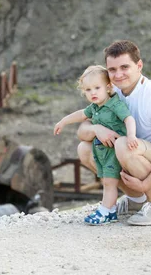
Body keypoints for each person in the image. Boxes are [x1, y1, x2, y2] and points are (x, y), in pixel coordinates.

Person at [77, 40, 151, 226]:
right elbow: (82, 131)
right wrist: (96, 128)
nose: (118, 74)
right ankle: (137, 201)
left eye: (125, 67)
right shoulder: (112, 92)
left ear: (139, 66)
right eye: (112, 70)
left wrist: (145, 184)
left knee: (123, 145)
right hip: (140, 158)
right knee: (85, 149)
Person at [54, 65, 138, 225]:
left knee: (109, 183)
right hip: (103, 152)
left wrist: (131, 135)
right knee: (106, 181)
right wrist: (63, 121)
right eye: (88, 90)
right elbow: (80, 114)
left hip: (114, 152)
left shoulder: (114, 104)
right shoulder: (94, 108)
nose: (92, 93)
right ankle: (110, 210)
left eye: (97, 88)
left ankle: (107, 210)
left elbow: (129, 119)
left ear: (108, 88)